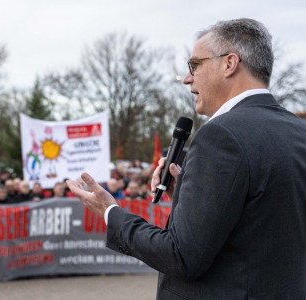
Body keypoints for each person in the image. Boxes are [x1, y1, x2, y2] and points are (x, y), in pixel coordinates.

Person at [67, 19, 306, 298]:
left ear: (229, 63)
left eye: (195, 65)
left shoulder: (220, 135)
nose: (187, 78)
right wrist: (188, 195)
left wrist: (111, 213)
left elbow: (181, 256)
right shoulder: (298, 131)